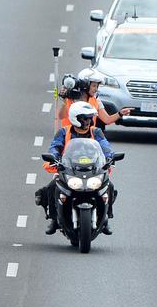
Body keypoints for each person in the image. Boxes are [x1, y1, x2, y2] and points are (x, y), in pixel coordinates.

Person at [40, 101, 115, 235]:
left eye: (89, 118)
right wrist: (54, 157)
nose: (88, 121)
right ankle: (53, 219)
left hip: (92, 170)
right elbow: (55, 146)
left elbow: (105, 146)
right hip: (67, 169)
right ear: (76, 118)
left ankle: (106, 219)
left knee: (109, 186)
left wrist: (110, 157)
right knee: (52, 187)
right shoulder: (64, 132)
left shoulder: (96, 132)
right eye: (84, 118)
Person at [57, 68, 133, 129]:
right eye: (94, 86)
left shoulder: (96, 100)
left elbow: (107, 120)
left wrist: (120, 113)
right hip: (69, 139)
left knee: (105, 147)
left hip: (88, 140)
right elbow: (61, 116)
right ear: (85, 85)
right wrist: (64, 101)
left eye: (97, 86)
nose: (96, 89)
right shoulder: (71, 98)